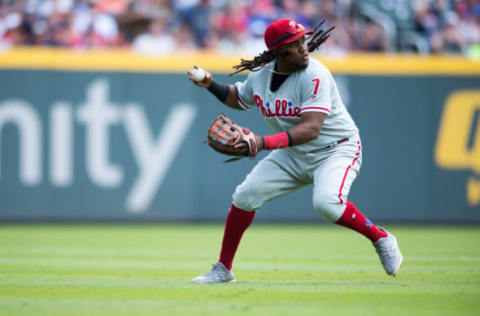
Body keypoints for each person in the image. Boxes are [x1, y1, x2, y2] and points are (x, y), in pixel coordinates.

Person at [188, 18, 403, 283]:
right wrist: (210, 84)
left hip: (335, 150)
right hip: (294, 153)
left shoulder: (315, 74)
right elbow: (238, 98)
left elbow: (311, 128)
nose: (303, 47)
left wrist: (261, 142)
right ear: (277, 51)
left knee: (326, 204)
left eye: (303, 39)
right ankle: (223, 268)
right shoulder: (261, 76)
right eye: (294, 43)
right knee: (245, 195)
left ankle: (380, 237)